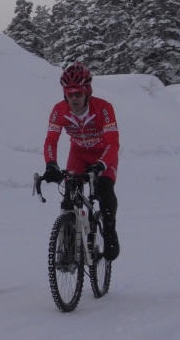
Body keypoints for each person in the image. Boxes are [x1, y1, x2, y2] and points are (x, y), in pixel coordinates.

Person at [42, 62, 120, 261]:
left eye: (78, 94)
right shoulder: (59, 110)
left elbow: (113, 143)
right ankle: (68, 247)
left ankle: (110, 231)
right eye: (69, 94)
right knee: (70, 195)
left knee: (104, 190)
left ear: (87, 92)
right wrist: (51, 164)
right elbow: (51, 140)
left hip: (104, 154)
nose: (74, 98)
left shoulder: (104, 108)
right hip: (78, 154)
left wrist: (101, 165)